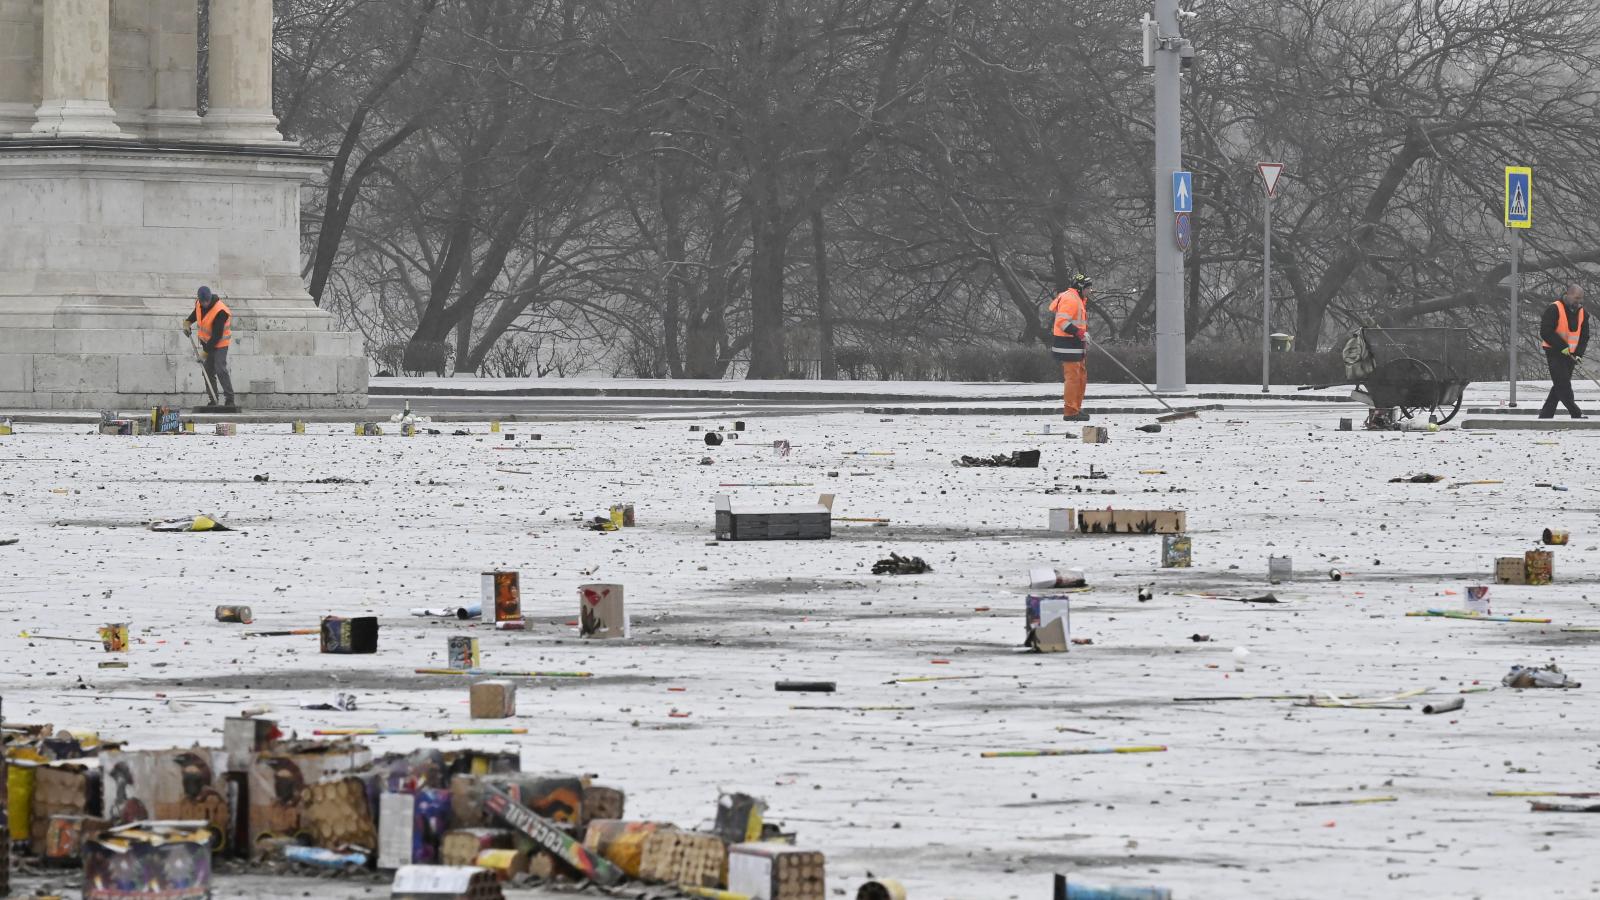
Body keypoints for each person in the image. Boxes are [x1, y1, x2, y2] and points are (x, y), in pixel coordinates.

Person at [1539, 283, 1589, 419]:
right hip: (1554, 352)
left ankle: (1545, 415)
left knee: (1559, 385)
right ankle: (1576, 413)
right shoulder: (1554, 308)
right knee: (1563, 384)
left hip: (1571, 355)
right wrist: (1562, 347)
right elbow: (1546, 331)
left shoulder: (1583, 313)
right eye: (1576, 298)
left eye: (1581, 299)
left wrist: (1578, 354)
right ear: (1568, 294)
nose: (1578, 301)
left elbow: (1584, 336)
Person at [182, 286, 236, 408]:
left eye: (207, 300)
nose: (205, 303)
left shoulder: (220, 311)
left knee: (220, 368)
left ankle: (230, 400)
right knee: (207, 370)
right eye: (203, 301)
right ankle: (213, 399)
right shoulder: (199, 304)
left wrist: (205, 353)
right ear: (199, 300)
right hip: (207, 343)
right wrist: (188, 322)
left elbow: (217, 336)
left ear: (210, 298)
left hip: (220, 344)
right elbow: (197, 313)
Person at [1049, 274, 1092, 420]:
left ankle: (1076, 408)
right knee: (1073, 379)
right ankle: (1070, 411)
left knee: (1081, 378)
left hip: (1075, 345)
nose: (1090, 291)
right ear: (1080, 288)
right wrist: (1080, 333)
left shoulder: (1077, 299)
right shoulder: (1070, 299)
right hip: (1067, 345)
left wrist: (1083, 335)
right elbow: (1062, 322)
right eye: (1088, 288)